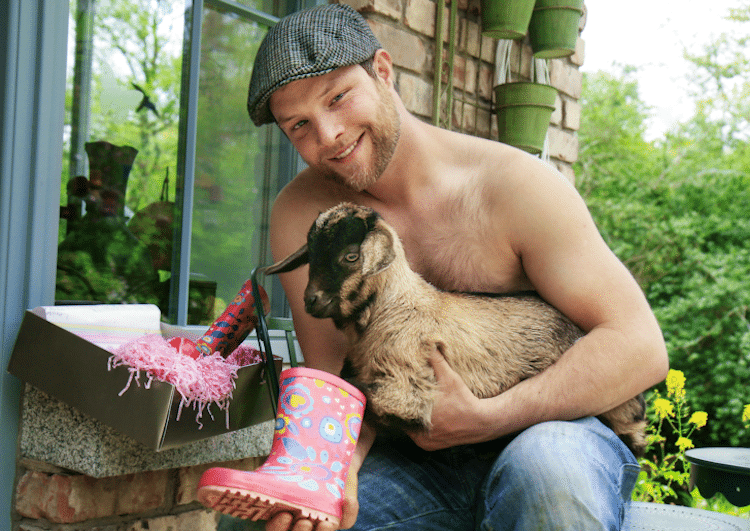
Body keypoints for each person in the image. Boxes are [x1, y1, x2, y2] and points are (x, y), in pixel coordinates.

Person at [235, 4, 667, 530]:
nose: (328, 135)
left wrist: (488, 419)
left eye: (339, 98)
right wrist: (327, 472)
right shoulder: (305, 215)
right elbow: (337, 377)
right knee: (277, 523)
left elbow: (639, 345)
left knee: (546, 473)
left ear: (384, 72)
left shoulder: (513, 187)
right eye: (299, 125)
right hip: (414, 462)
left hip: (555, 431)